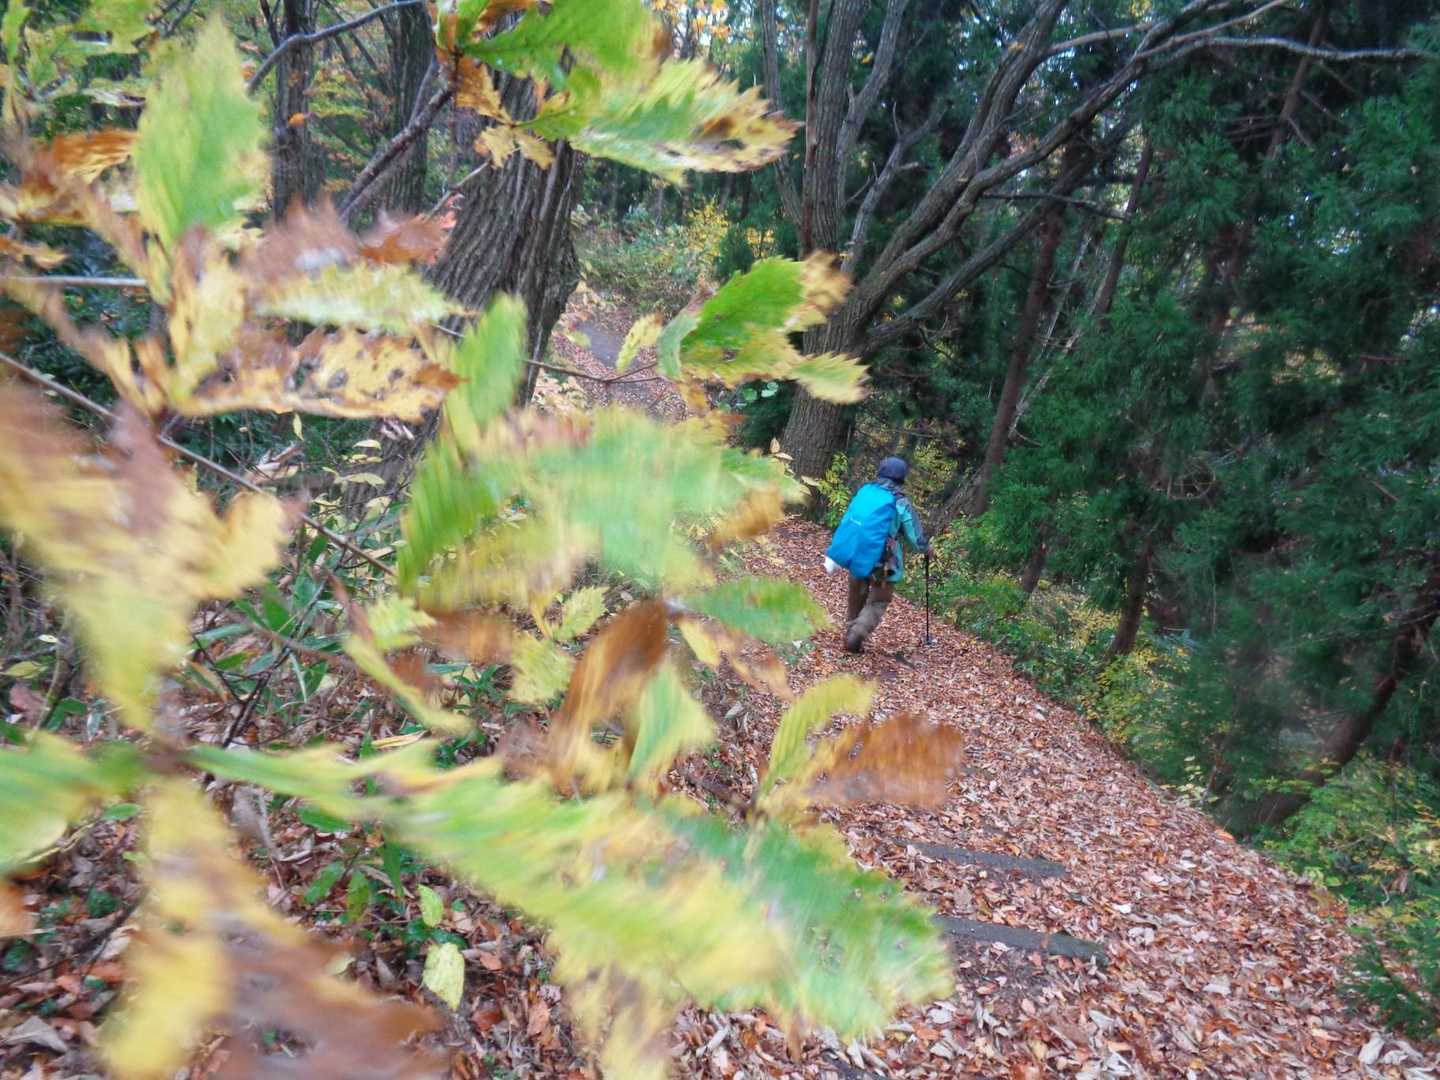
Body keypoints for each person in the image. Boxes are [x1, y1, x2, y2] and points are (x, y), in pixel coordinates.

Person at [824, 456, 928, 653]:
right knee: (879, 598)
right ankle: (856, 635)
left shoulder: (866, 492)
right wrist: (927, 549)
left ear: (880, 473)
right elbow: (916, 537)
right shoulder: (901, 502)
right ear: (901, 478)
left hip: (859, 552)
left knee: (857, 590)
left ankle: (850, 628)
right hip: (885, 561)